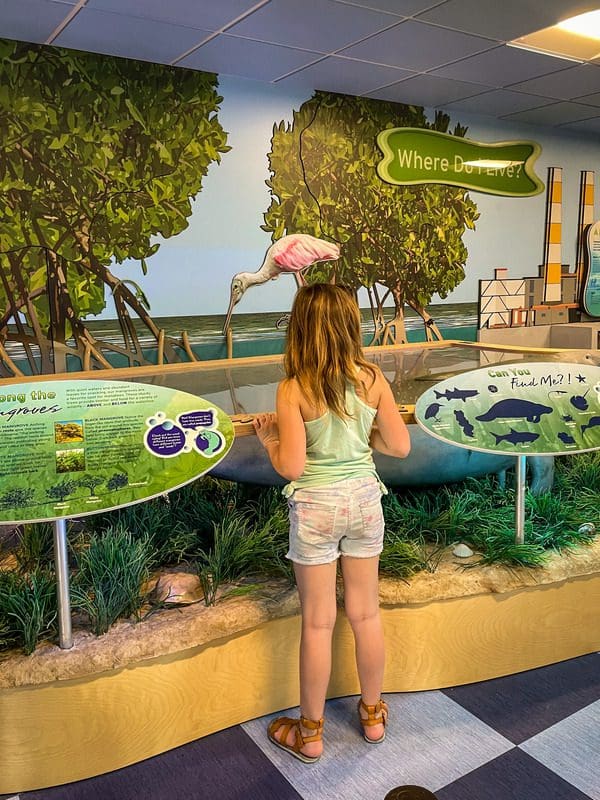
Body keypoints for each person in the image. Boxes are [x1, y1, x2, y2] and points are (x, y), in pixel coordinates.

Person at [253, 283, 411, 764]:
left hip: (317, 508)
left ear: (299, 329)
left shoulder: (292, 388)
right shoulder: (372, 378)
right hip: (365, 501)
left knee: (319, 623)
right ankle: (373, 717)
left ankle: (311, 734)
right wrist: (365, 442)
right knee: (366, 614)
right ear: (351, 327)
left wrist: (268, 441)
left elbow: (292, 467)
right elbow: (400, 446)